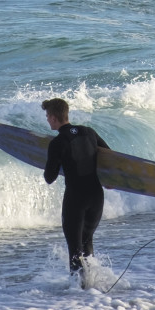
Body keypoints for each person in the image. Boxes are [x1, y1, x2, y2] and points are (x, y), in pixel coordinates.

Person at [42, 98, 110, 278]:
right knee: (87, 243)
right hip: (96, 196)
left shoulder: (57, 143)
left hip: (76, 198)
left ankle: (78, 295)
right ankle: (93, 289)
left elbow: (50, 178)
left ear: (55, 118)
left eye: (48, 116)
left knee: (75, 249)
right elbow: (109, 156)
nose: (47, 120)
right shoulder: (89, 132)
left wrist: (49, 159)